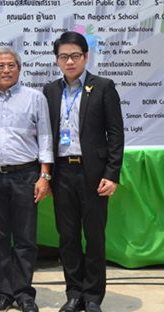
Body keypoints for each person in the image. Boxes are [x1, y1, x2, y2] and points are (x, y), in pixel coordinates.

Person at [43, 31, 124, 312]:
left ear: (86, 57)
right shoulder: (51, 91)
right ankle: (74, 293)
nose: (69, 61)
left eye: (75, 56)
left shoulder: (102, 87)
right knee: (67, 238)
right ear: (57, 60)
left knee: (94, 236)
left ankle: (92, 297)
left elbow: (115, 134)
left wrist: (112, 174)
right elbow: (46, 135)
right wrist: (47, 175)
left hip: (94, 175)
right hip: (63, 174)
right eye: (64, 56)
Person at [0, 47, 53, 312]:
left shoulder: (34, 98)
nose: (6, 70)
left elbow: (45, 137)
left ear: (19, 69)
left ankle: (24, 293)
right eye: (0, 66)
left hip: (26, 175)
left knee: (25, 238)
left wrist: (44, 176)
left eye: (11, 65)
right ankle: (3, 293)